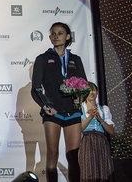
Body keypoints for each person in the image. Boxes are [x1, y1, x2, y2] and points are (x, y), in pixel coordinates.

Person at [31, 22, 87, 182]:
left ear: (68, 36)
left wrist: (80, 98)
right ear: (49, 37)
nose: (56, 36)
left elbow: (84, 85)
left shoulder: (75, 59)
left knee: (72, 155)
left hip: (73, 111)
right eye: (53, 33)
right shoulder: (42, 59)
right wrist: (46, 105)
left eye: (60, 33)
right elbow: (36, 87)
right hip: (52, 112)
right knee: (53, 153)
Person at [79, 83, 115, 182]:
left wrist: (100, 120)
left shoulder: (104, 109)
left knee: (103, 170)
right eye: (89, 90)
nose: (91, 93)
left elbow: (111, 131)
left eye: (94, 90)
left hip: (101, 141)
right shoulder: (80, 109)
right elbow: (79, 129)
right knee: (89, 170)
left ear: (97, 92)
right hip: (87, 141)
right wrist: (90, 117)